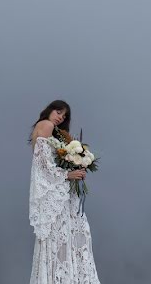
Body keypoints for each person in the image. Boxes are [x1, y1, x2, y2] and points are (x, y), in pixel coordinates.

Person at [28, 100, 102, 283]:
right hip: (56, 192)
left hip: (58, 191)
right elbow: (43, 165)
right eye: (59, 111)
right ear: (50, 109)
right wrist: (69, 174)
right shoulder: (46, 124)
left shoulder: (50, 129)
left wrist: (76, 165)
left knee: (65, 236)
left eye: (64, 116)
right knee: (65, 235)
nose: (60, 117)